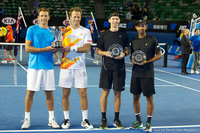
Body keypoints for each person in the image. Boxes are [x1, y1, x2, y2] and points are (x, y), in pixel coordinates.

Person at [21, 7, 60, 129]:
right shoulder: (32, 29)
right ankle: (26, 119)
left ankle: (51, 119)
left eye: (45, 16)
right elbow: (28, 48)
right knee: (30, 92)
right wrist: (45, 49)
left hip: (48, 67)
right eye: (41, 15)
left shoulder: (52, 32)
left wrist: (58, 51)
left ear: (49, 17)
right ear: (38, 17)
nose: (43, 18)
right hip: (34, 66)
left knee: (49, 93)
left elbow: (54, 47)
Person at [58, 7, 93, 129]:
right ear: (70, 18)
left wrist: (70, 49)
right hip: (66, 67)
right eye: (74, 16)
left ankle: (85, 119)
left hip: (79, 67)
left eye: (78, 16)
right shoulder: (64, 31)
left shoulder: (86, 31)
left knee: (83, 93)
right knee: (65, 93)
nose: (76, 18)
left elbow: (86, 49)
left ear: (80, 17)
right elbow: (58, 46)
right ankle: (66, 119)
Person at [96, 12, 129, 129]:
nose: (115, 21)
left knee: (117, 93)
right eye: (113, 19)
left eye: (117, 19)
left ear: (119, 21)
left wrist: (123, 54)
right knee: (105, 92)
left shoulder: (124, 34)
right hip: (106, 67)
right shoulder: (104, 35)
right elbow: (97, 51)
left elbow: (127, 50)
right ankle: (103, 119)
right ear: (109, 21)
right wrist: (105, 53)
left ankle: (116, 119)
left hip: (120, 67)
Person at [129, 20, 161, 132]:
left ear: (146, 27)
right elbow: (131, 56)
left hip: (147, 73)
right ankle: (138, 121)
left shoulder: (152, 40)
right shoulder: (133, 41)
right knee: (135, 97)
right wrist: (132, 60)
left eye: (143, 26)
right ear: (136, 28)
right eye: (139, 26)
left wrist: (147, 62)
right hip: (136, 73)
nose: (141, 27)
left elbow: (159, 55)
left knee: (149, 98)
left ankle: (148, 122)